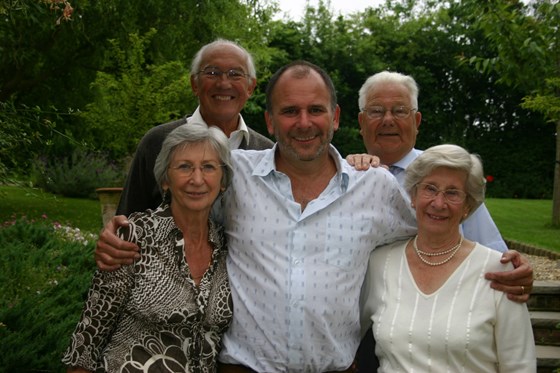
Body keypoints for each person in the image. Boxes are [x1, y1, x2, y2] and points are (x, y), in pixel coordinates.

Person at [97, 60, 418, 372]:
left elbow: (429, 236)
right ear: (269, 121)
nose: (304, 122)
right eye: (290, 111)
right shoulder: (234, 175)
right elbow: (180, 214)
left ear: (334, 117)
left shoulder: (375, 187)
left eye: (316, 110)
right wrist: (123, 233)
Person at [352, 70, 534, 371]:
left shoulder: (450, 171)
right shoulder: (347, 179)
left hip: (452, 331)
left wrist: (519, 275)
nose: (387, 120)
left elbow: (500, 267)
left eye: (399, 110)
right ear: (361, 122)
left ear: (417, 121)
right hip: (380, 333)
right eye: (376, 111)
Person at [62, 123, 234, 372]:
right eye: (184, 166)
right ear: (165, 180)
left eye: (208, 167)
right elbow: (88, 341)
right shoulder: (133, 236)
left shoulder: (227, 246)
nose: (197, 179)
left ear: (223, 181)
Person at [114, 38, 273, 218]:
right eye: (212, 72)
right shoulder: (158, 141)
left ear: (250, 87)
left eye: (235, 74)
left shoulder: (266, 153)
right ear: (194, 84)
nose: (223, 83)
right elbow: (126, 222)